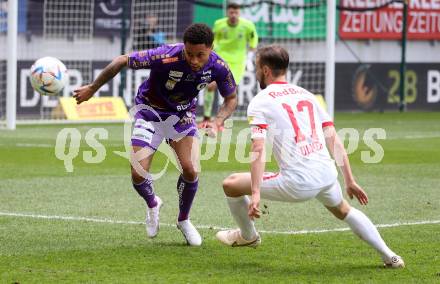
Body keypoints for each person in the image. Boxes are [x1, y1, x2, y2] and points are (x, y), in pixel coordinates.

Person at [215, 45, 404, 268]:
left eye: (256, 67)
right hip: (326, 174)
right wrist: (349, 180)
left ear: (265, 70)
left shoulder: (260, 101)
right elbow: (333, 138)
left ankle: (248, 236)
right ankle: (390, 256)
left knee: (231, 184)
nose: (256, 72)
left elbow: (258, 148)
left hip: (297, 182)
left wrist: (255, 192)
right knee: (344, 210)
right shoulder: (307, 95)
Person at [74, 23, 238, 246]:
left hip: (181, 117)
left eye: (200, 55)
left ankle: (184, 220)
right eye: (189, 53)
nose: (194, 60)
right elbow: (123, 60)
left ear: (211, 48)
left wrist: (219, 121)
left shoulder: (218, 66)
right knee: (138, 174)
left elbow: (231, 99)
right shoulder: (165, 55)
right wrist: (93, 88)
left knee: (191, 169)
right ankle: (153, 203)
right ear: (183, 47)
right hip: (149, 113)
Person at [199, 2, 258, 127]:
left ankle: (220, 122)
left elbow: (253, 41)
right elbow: (213, 41)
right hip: (221, 59)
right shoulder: (219, 24)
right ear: (227, 13)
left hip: (238, 62)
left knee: (230, 92)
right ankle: (206, 117)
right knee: (211, 86)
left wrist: (249, 58)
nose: (233, 15)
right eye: (231, 12)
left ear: (239, 13)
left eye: (236, 13)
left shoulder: (248, 26)